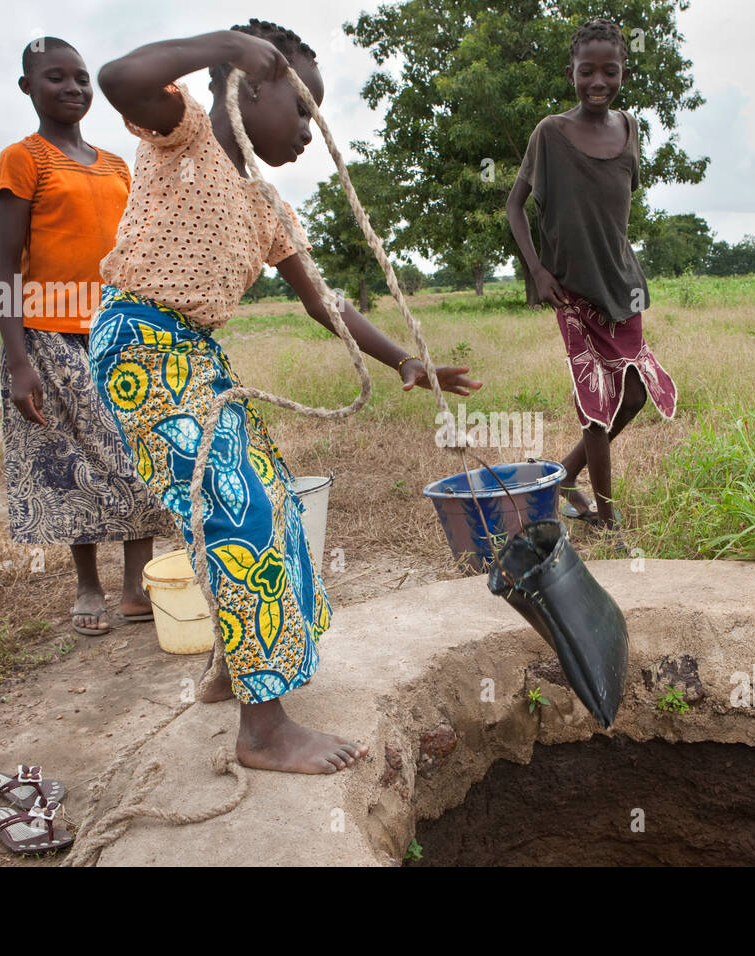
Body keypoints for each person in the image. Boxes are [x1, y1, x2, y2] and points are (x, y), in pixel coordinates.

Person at [92, 20, 482, 774]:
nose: (310, 130)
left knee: (264, 496)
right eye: (302, 109)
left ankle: (237, 668)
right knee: (243, 510)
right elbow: (119, 77)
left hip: (195, 358)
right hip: (139, 348)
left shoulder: (268, 204)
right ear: (251, 86)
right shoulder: (184, 137)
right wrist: (221, 45)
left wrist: (405, 360)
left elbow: (322, 301)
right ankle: (264, 732)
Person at [0, 37, 175, 637]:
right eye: (55, 78)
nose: (72, 89)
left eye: (81, 79)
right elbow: (5, 268)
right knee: (67, 464)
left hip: (117, 332)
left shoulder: (119, 165)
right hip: (45, 337)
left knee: (139, 454)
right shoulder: (23, 160)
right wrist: (19, 360)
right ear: (28, 88)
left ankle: (135, 586)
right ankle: (88, 586)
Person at [506, 18, 677, 547]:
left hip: (622, 286)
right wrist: (537, 269)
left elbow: (615, 209)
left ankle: (565, 474)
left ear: (624, 71)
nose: (598, 81)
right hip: (573, 292)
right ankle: (605, 518)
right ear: (570, 73)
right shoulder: (550, 134)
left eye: (610, 71)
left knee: (634, 396)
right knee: (596, 406)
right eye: (587, 72)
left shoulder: (630, 131)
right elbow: (514, 205)